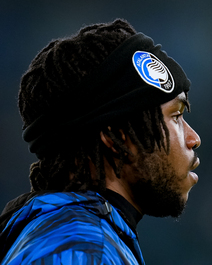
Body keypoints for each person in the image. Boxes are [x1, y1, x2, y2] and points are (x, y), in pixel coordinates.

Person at [0, 19, 201, 264]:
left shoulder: (62, 235)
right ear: (115, 138)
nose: (194, 139)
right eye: (176, 116)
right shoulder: (84, 249)